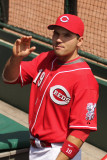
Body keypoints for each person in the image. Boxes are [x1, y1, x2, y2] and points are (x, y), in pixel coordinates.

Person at [2, 14, 99, 160]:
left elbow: (81, 130)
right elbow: (9, 78)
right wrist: (16, 58)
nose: (59, 39)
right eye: (56, 33)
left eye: (67, 35)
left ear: (79, 41)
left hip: (58, 152)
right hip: (35, 149)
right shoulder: (46, 58)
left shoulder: (84, 79)